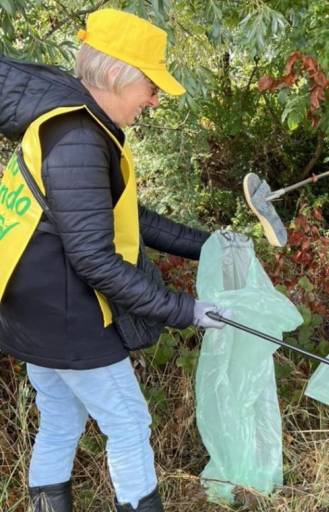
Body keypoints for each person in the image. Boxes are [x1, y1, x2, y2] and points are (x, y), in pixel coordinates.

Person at [0, 9, 232, 511]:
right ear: (115, 76)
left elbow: (126, 215)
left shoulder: (74, 122)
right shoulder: (78, 138)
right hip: (66, 318)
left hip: (30, 310)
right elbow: (94, 259)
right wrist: (185, 310)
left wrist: (208, 243)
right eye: (150, 85)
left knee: (61, 416)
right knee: (129, 423)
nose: (154, 99)